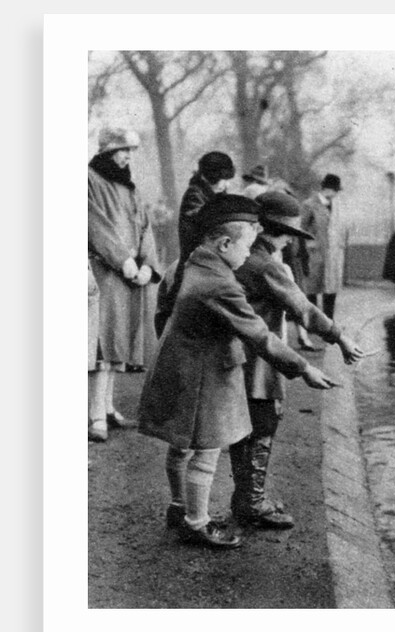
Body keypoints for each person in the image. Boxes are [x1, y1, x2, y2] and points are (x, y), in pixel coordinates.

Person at [138, 194, 338, 549]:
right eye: (246, 246)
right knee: (208, 450)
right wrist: (304, 367)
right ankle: (198, 524)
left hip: (176, 366)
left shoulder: (188, 264)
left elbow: (161, 312)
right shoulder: (220, 283)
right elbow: (259, 334)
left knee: (180, 445)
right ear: (225, 243)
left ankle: (179, 506)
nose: (248, 255)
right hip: (204, 375)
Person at [229, 191, 365, 529]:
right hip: (259, 360)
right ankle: (253, 503)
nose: (291, 240)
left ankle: (244, 497)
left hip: (236, 356)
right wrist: (340, 337)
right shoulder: (267, 265)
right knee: (263, 424)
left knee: (243, 428)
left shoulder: (241, 259)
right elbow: (303, 309)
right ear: (275, 232)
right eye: (289, 234)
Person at [88, 126, 161, 443]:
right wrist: (123, 260)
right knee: (103, 343)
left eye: (130, 151)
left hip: (130, 274)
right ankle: (93, 415)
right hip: (105, 271)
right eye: (122, 150)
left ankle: (107, 408)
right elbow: (94, 224)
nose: (128, 156)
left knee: (118, 343)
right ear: (107, 152)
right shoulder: (89, 180)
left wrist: (148, 263)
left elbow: (144, 225)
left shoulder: (129, 186)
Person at [154, 151, 236, 337]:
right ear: (212, 176)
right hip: (194, 262)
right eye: (223, 178)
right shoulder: (195, 195)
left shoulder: (211, 193)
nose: (226, 184)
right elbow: (203, 224)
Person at [297, 173, 345, 329]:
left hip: (332, 254)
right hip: (315, 254)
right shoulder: (309, 204)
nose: (337, 194)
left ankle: (328, 323)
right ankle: (312, 323)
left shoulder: (336, 205)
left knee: (331, 287)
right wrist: (309, 244)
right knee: (313, 287)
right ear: (328, 189)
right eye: (336, 191)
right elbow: (301, 228)